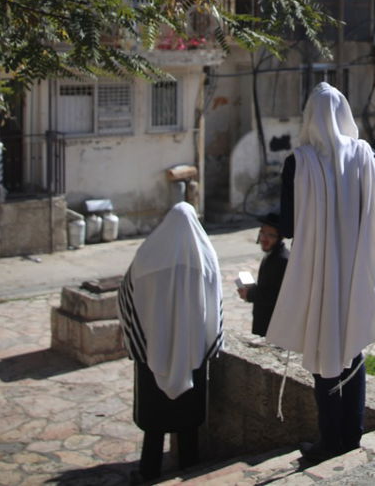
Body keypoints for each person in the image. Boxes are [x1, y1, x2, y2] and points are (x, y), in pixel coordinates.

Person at [267, 83, 375, 464]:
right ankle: (350, 435)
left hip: (321, 272)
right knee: (351, 347)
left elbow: (287, 226)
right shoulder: (364, 155)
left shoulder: (298, 162)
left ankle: (329, 440)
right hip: (354, 267)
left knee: (324, 348)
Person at [118, 202, 223, 482]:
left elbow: (125, 297)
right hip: (192, 352)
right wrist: (211, 342)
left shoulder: (147, 256)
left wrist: (138, 342)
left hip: (153, 351)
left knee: (154, 423)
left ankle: (148, 471)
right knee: (188, 421)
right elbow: (216, 302)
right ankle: (190, 468)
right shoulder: (206, 257)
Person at [237, 212, 289, 336]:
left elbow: (275, 295)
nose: (264, 238)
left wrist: (249, 293)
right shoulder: (273, 255)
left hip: (274, 326)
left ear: (279, 237)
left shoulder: (281, 260)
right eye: (262, 233)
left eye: (270, 235)